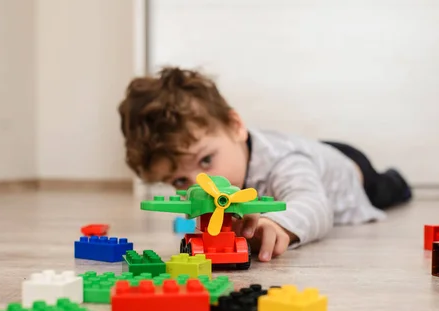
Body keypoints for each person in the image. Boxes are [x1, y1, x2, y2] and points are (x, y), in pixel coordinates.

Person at [118, 67, 412, 262]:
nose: (200, 184)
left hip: (350, 170)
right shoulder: (228, 162)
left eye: (206, 160)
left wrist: (279, 224)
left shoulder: (283, 164)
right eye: (180, 181)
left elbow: (314, 203)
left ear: (235, 126)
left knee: (388, 190)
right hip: (312, 153)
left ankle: (397, 179)